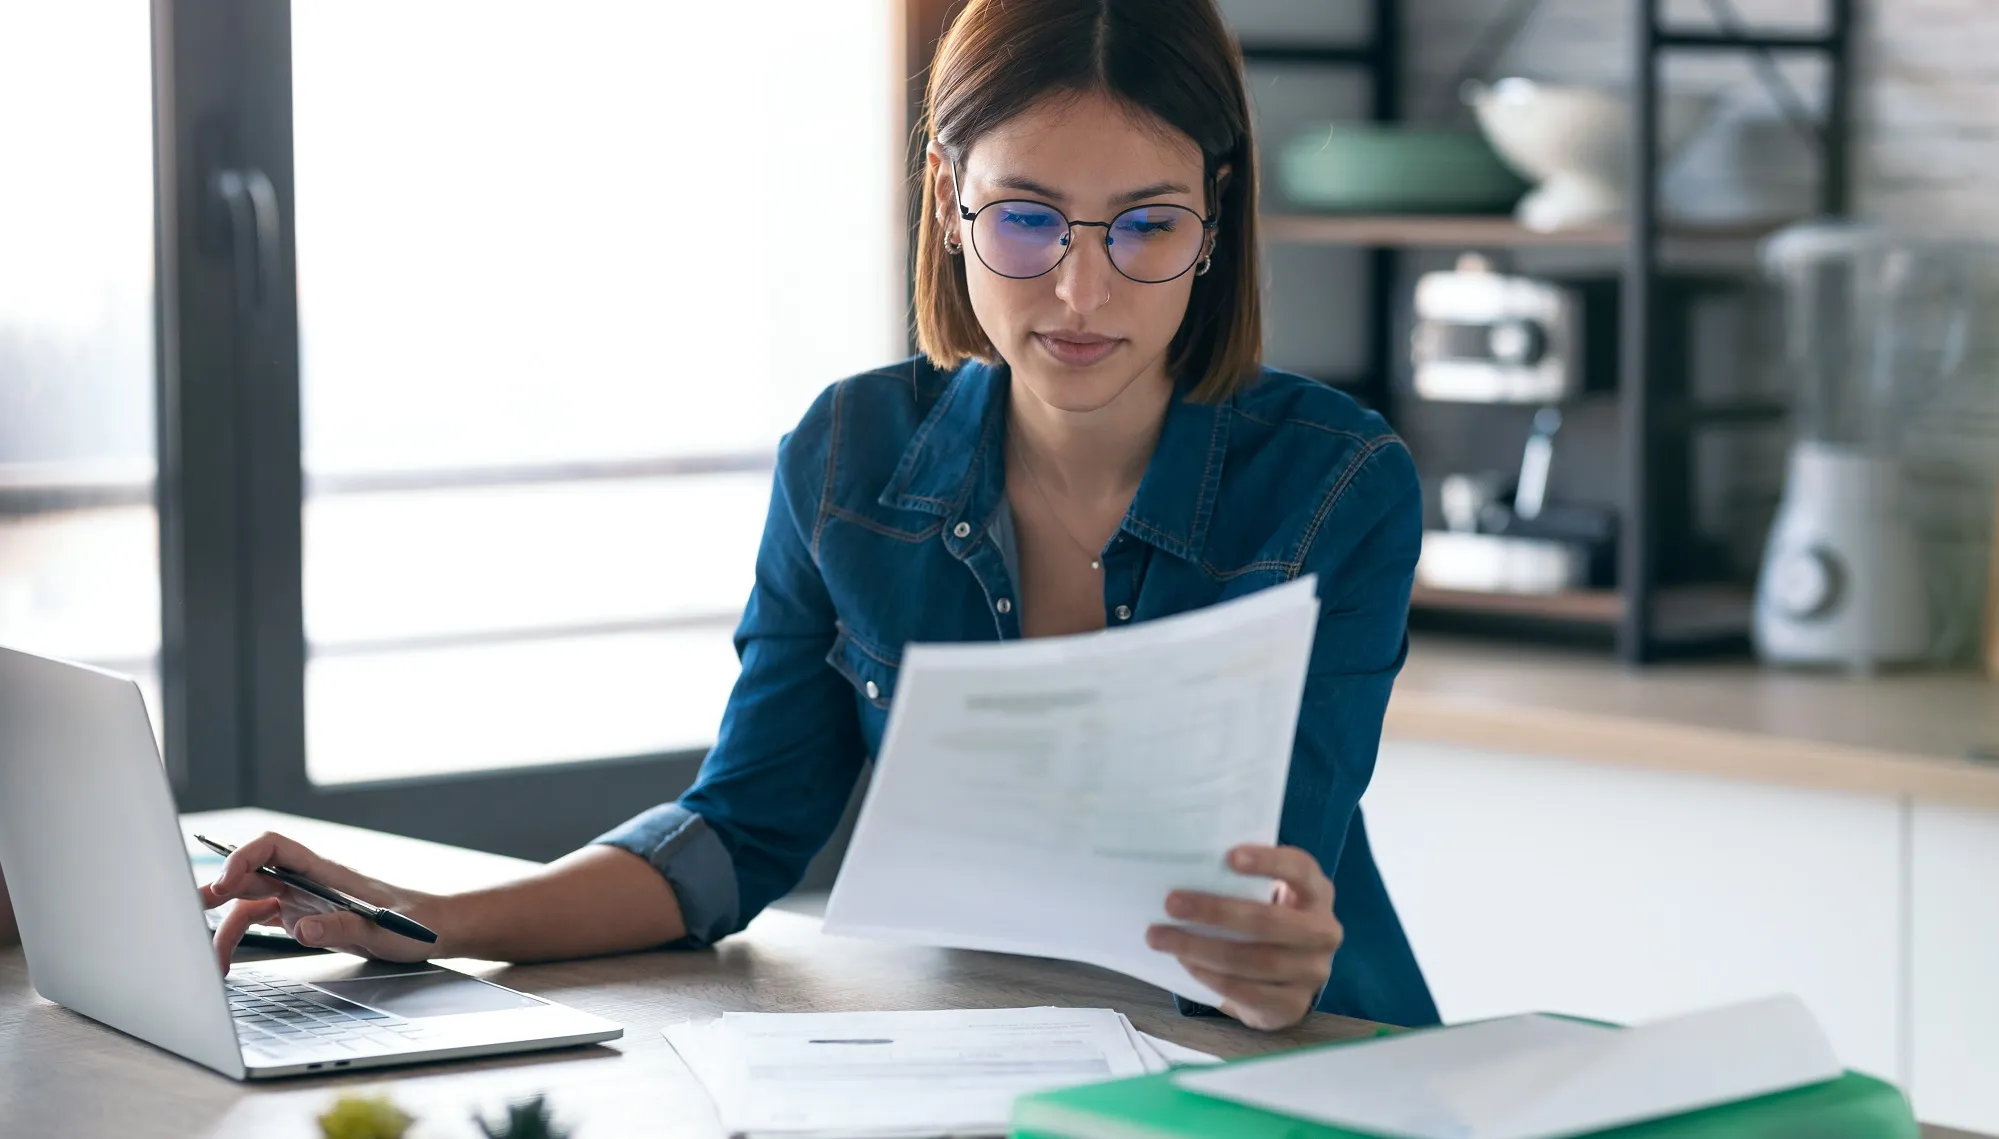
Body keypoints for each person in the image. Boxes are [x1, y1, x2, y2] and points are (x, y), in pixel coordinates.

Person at [193, 0, 1440, 1032]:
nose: (1080, 289)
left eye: (1146, 225)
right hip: (981, 1051)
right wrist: (428, 917)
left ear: (1214, 215)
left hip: (1298, 1057)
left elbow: (1275, 896)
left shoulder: (1338, 483)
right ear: (946, 197)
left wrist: (1274, 960)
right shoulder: (849, 456)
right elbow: (737, 834)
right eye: (1024, 218)